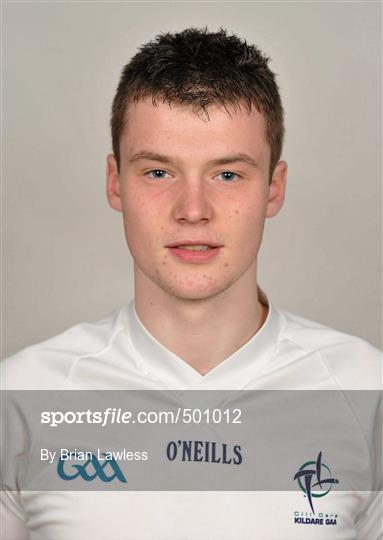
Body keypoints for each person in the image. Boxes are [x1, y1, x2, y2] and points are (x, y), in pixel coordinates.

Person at [1, 27, 381, 540]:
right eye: (159, 173)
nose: (193, 211)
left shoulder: (366, 394)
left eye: (227, 175)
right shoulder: (22, 400)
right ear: (116, 182)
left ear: (274, 187)